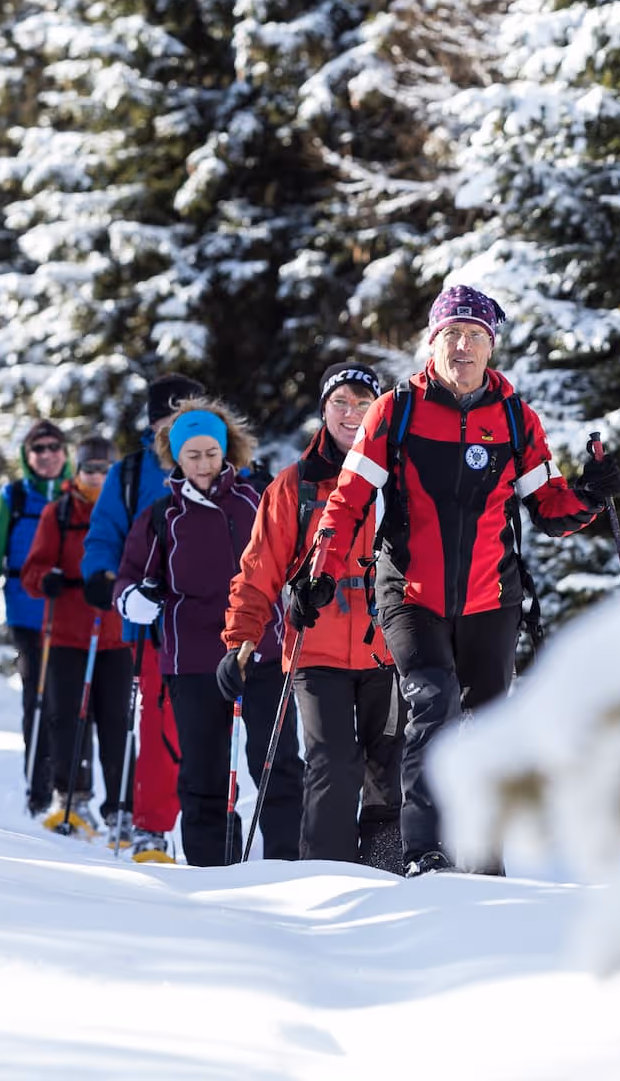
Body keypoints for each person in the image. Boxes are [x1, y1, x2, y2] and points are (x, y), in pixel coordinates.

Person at [302, 285, 620, 877]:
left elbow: (550, 511)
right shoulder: (394, 411)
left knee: (490, 724)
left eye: (476, 336)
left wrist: (591, 494)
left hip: (490, 598)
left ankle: (484, 855)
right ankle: (425, 851)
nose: (465, 346)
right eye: (453, 334)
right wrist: (320, 572)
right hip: (409, 594)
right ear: (433, 342)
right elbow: (348, 500)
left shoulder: (514, 418)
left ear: (492, 347)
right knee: (434, 704)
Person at [223, 362, 405, 869]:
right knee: (331, 764)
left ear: (378, 412)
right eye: (340, 403)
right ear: (324, 410)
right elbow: (259, 569)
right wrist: (240, 639)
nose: (351, 413)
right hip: (314, 651)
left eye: (362, 403)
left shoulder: (396, 480)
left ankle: (384, 869)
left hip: (385, 647)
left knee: (386, 767)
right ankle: (328, 877)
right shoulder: (295, 487)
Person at [113, 397, 304, 866]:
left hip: (259, 652)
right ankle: (210, 873)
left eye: (211, 454)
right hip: (192, 659)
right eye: (192, 455)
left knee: (276, 765)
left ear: (227, 453)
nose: (202, 464)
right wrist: (137, 598)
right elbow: (128, 579)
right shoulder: (161, 517)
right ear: (176, 458)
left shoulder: (255, 500)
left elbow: (289, 561)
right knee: (203, 774)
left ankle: (291, 864)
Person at [82, 373, 204, 861]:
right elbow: (103, 534)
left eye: (183, 414)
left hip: (213, 620)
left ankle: (213, 819)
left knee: (213, 725)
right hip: (154, 621)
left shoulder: (218, 463)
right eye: (165, 417)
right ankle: (151, 825)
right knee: (157, 727)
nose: (172, 427)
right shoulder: (130, 473)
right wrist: (101, 576)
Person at [0, 418, 73, 817]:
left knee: (74, 704)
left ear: (65, 452)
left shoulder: (83, 494)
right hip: (28, 616)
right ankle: (38, 792)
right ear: (27, 457)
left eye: (53, 447)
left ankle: (71, 791)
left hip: (76, 617)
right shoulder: (14, 498)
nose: (47, 455)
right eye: (38, 449)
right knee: (38, 701)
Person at [19, 437, 132, 837]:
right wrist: (44, 581)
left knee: (116, 723)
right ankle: (71, 798)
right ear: (77, 471)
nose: (96, 477)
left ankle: (121, 808)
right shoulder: (59, 513)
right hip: (67, 636)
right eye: (89, 470)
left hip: (116, 637)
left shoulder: (127, 510)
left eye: (104, 470)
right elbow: (32, 571)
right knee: (66, 721)